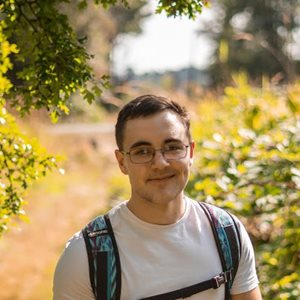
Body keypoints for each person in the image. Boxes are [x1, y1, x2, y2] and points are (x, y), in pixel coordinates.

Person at [53, 95, 262, 300]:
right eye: (142, 151)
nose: (160, 163)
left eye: (172, 147)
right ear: (122, 161)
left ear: (190, 153)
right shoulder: (85, 258)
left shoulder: (227, 233)